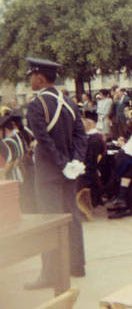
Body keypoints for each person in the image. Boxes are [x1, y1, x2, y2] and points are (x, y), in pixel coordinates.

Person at [24, 57, 87, 289]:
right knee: (72, 216)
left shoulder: (37, 104)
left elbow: (43, 140)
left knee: (49, 222)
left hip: (50, 172)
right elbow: (81, 136)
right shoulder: (69, 102)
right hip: (68, 172)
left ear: (40, 77)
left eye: (31, 75)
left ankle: (50, 273)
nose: (30, 79)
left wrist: (62, 163)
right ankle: (76, 265)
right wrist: (75, 161)